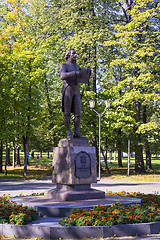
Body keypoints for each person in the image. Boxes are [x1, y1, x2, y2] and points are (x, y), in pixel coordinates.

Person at [60, 48, 91, 139]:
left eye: (75, 53)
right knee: (67, 113)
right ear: (68, 55)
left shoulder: (77, 66)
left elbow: (82, 74)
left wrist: (87, 72)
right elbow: (62, 76)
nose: (75, 55)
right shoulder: (64, 65)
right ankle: (69, 132)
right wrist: (75, 73)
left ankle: (76, 132)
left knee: (78, 113)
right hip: (68, 89)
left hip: (76, 90)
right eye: (73, 53)